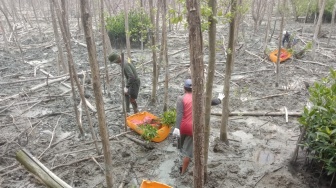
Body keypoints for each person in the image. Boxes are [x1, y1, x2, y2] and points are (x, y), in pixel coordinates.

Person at [172, 79, 224, 174]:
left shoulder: (180, 98)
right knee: (187, 153)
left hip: (182, 126)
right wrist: (220, 99)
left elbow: (179, 114)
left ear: (184, 88)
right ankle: (183, 172)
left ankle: (180, 161)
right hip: (193, 128)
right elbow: (213, 102)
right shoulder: (200, 97)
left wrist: (176, 127)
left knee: (179, 146)